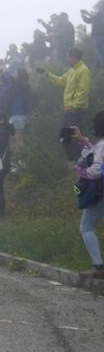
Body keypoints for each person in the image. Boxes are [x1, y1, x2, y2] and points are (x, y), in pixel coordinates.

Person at [40, 47, 91, 160]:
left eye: (68, 56)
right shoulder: (72, 70)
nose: (67, 58)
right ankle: (77, 160)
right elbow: (61, 80)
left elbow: (83, 91)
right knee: (67, 137)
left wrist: (75, 107)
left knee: (70, 137)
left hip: (75, 110)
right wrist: (49, 75)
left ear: (74, 57)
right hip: (69, 109)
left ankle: (80, 160)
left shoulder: (83, 70)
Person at [72, 113, 104, 280]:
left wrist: (80, 170)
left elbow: (97, 170)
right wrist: (82, 139)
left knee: (86, 227)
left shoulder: (102, 145)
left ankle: (98, 267)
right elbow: (96, 154)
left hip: (100, 192)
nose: (93, 127)